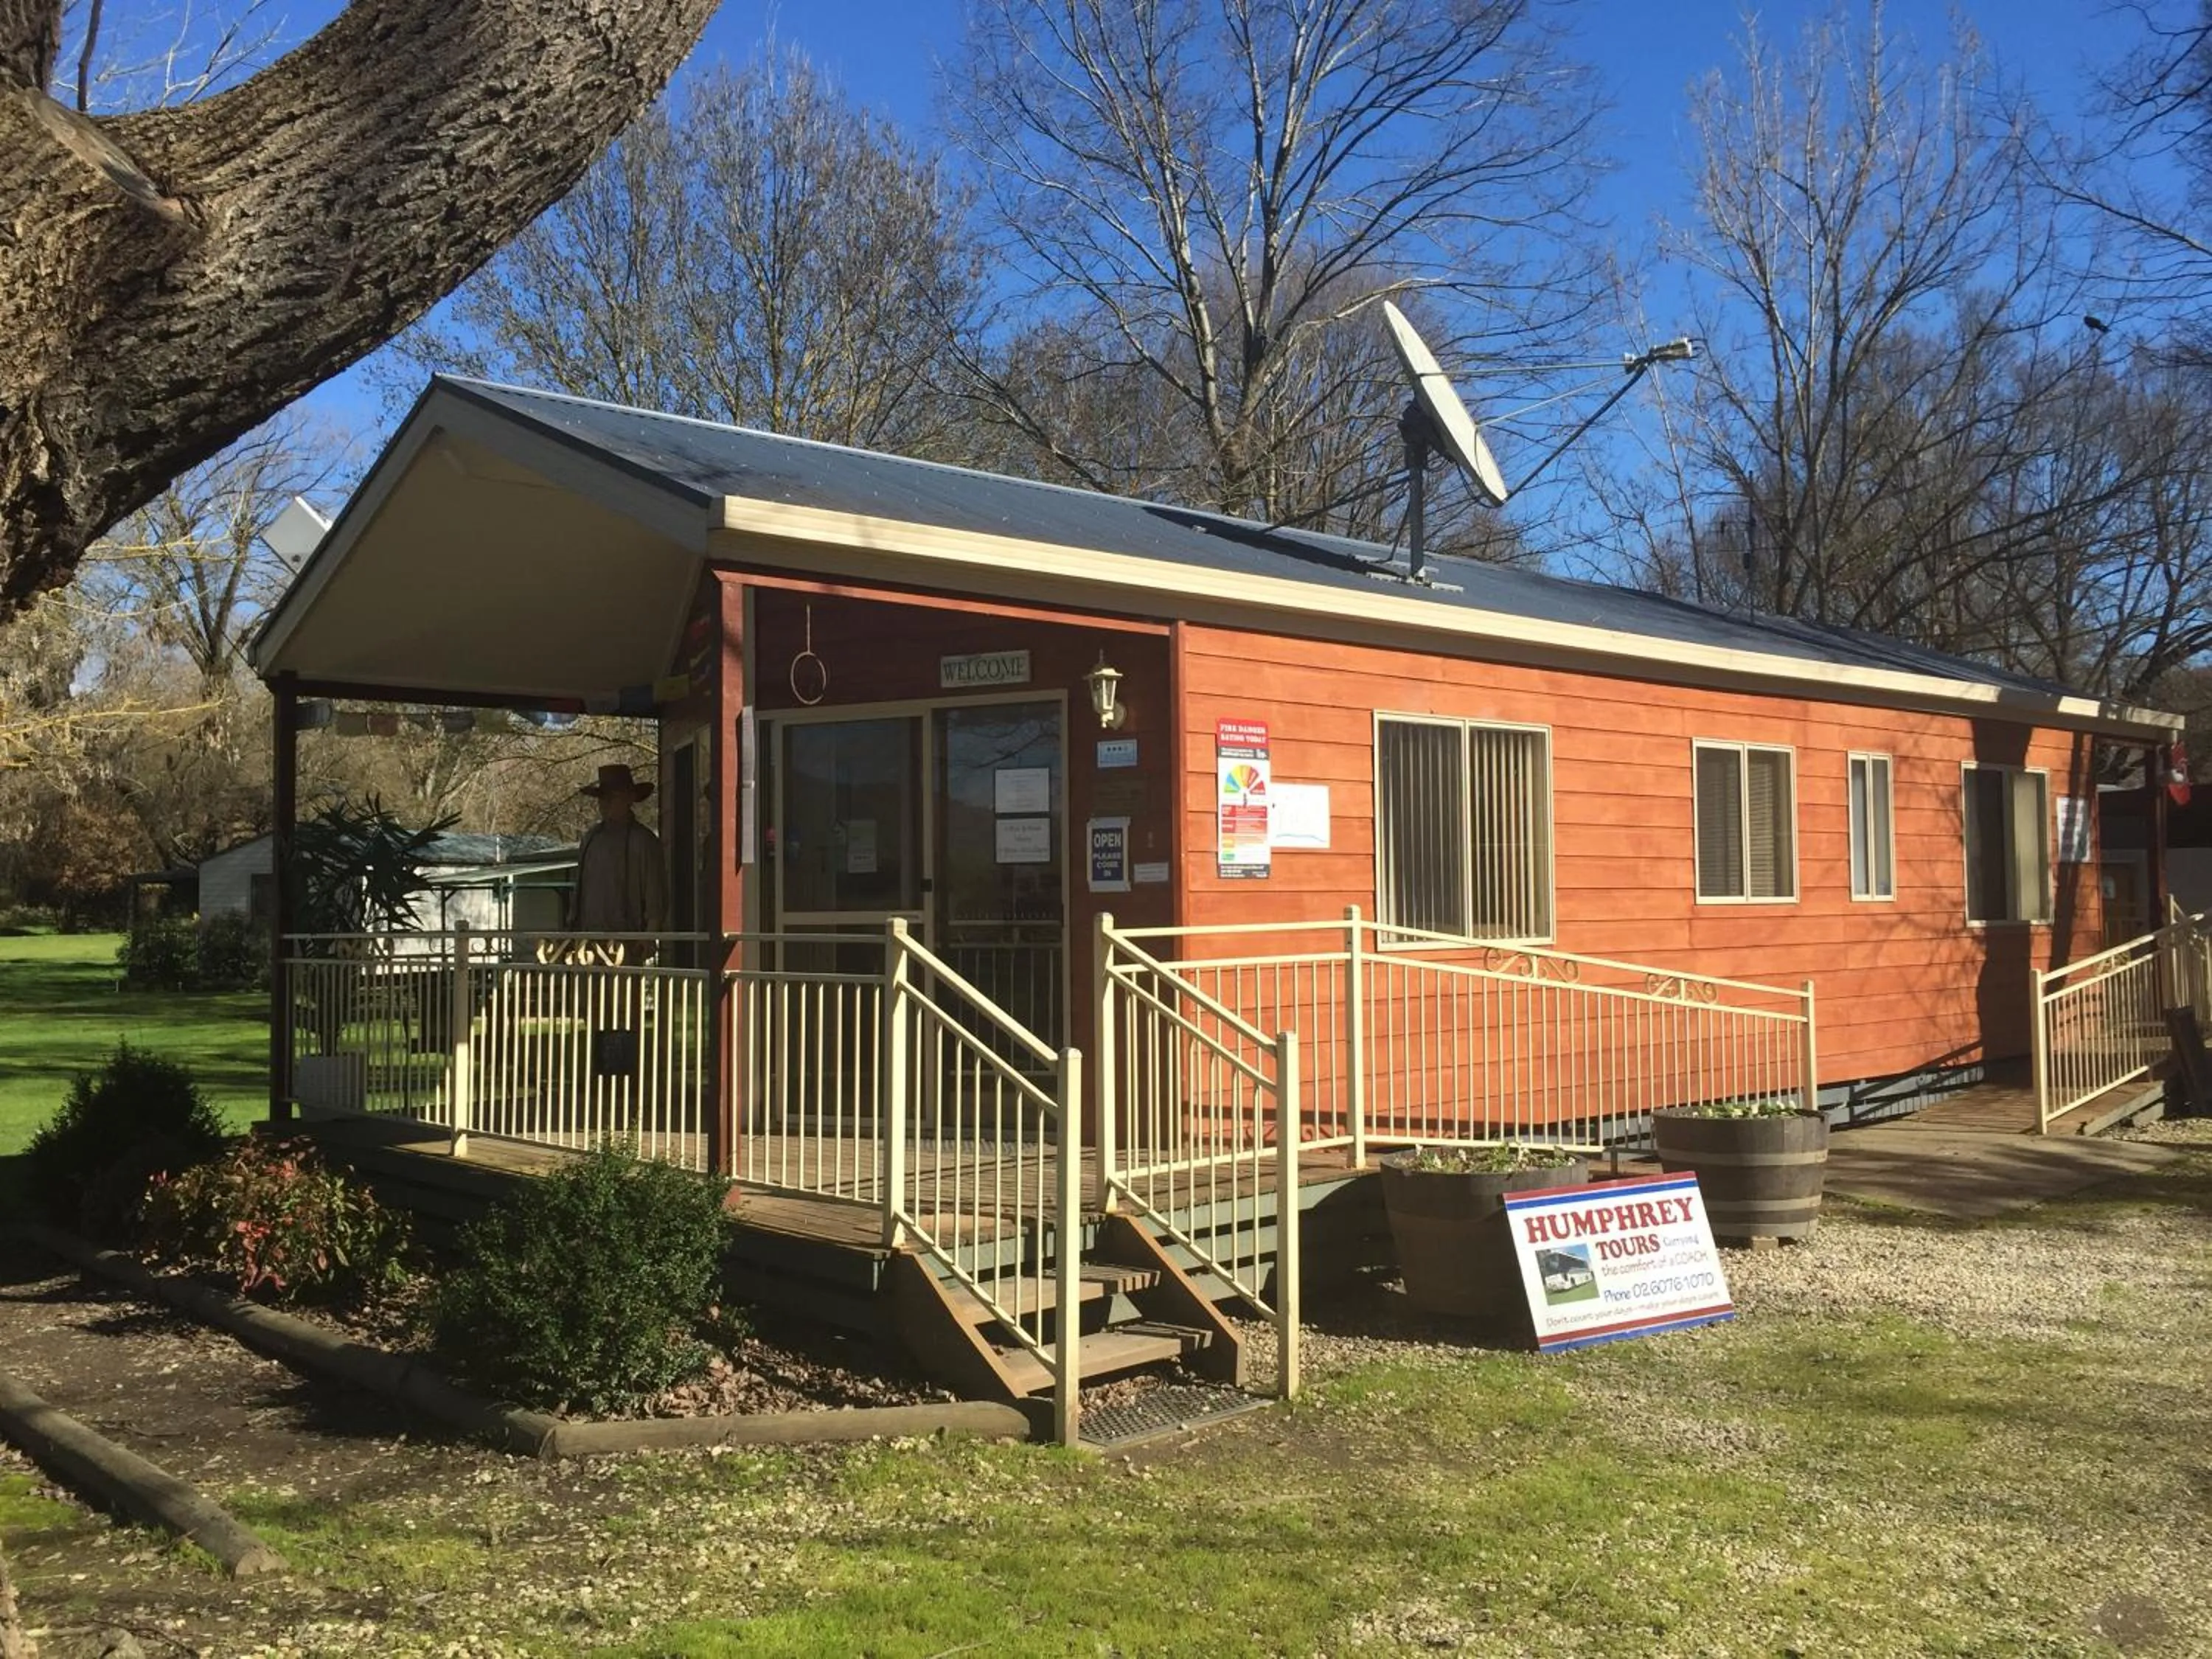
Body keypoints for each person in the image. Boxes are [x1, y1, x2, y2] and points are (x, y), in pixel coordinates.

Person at [566, 763, 667, 942]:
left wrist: (649, 936)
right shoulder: (591, 838)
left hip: (627, 941)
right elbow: (579, 891)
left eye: (612, 798)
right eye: (602, 798)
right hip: (586, 941)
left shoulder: (642, 841)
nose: (604, 804)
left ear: (629, 799)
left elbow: (655, 897)